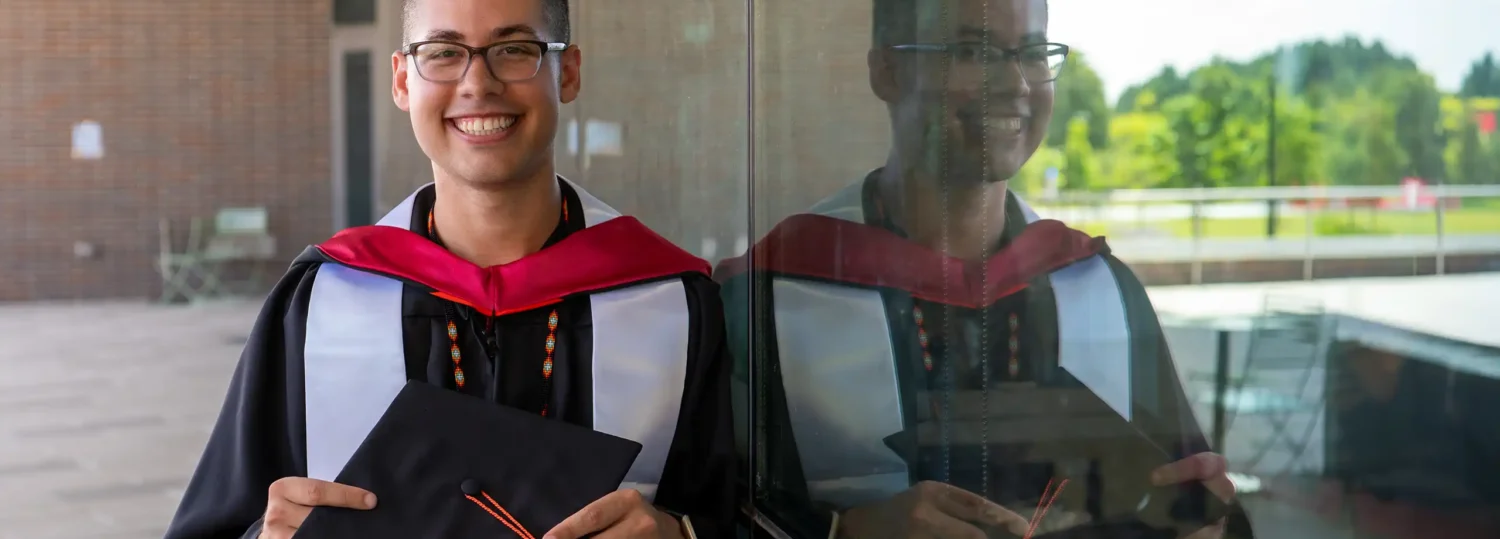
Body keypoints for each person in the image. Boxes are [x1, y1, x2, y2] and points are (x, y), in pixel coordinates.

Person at [163, 1, 733, 538]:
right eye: (442, 52)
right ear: (403, 81)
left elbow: (737, 513)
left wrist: (681, 533)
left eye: (514, 49)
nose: (477, 84)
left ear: (568, 73)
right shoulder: (320, 299)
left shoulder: (671, 300)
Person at [716, 0, 1252, 537]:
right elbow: (705, 517)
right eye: (972, 52)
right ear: (886, 70)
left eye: (1034, 52)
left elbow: (1191, 493)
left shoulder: (1100, 287)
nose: (1015, 84)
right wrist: (845, 532)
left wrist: (1209, 525)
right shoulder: (767, 296)